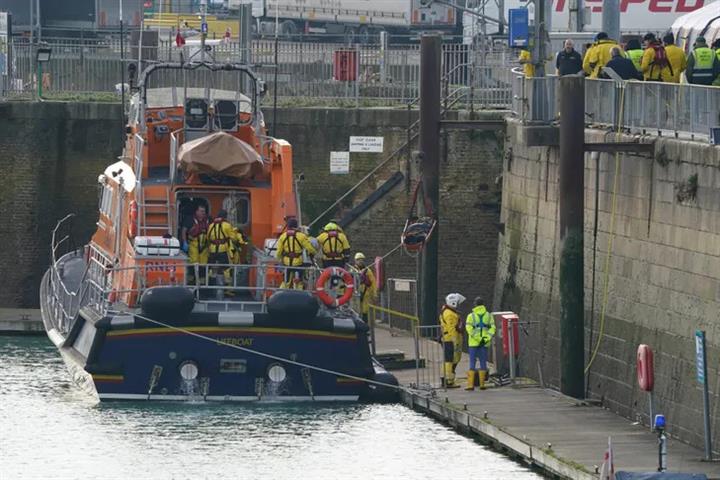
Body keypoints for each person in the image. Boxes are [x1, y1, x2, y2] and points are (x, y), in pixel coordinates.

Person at [207, 209, 246, 296]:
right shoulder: (227, 225)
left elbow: (208, 237)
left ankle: (209, 287)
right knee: (226, 269)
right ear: (225, 216)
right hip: (223, 249)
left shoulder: (211, 225)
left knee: (211, 269)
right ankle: (227, 289)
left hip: (212, 249)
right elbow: (233, 238)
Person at [275, 217, 316, 289]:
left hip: (287, 263)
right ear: (296, 226)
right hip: (298, 263)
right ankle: (299, 294)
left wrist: (279, 260)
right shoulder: (302, 236)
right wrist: (314, 253)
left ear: (288, 226)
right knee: (299, 282)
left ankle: (281, 293)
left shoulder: (282, 236)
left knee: (286, 281)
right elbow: (310, 248)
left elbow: (278, 252)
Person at [465, 297, 496, 391]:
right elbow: (492, 328)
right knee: (483, 363)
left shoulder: (471, 316)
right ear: (483, 304)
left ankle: (471, 385)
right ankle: (482, 385)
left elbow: (469, 329)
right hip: (484, 343)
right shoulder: (489, 315)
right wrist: (485, 338)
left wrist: (477, 339)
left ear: (475, 304)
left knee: (472, 363)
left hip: (473, 343)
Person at [439, 293, 466, 389]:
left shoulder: (448, 311)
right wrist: (455, 341)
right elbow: (452, 328)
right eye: (457, 303)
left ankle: (447, 379)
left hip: (449, 339)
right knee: (450, 360)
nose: (458, 305)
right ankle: (449, 381)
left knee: (450, 360)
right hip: (450, 340)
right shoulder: (449, 314)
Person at [181, 204, 208, 284]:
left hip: (204, 246)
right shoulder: (190, 219)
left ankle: (202, 284)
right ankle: (191, 282)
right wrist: (185, 242)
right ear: (196, 211)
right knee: (193, 264)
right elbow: (184, 231)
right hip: (193, 245)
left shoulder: (207, 220)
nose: (203, 213)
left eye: (204, 211)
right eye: (201, 211)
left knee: (203, 265)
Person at [351, 252, 377, 324]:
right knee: (355, 310)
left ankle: (366, 325)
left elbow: (373, 282)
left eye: (362, 259)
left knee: (365, 311)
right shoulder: (352, 270)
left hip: (366, 294)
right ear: (355, 261)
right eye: (358, 260)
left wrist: (374, 294)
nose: (360, 261)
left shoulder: (368, 271)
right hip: (355, 294)